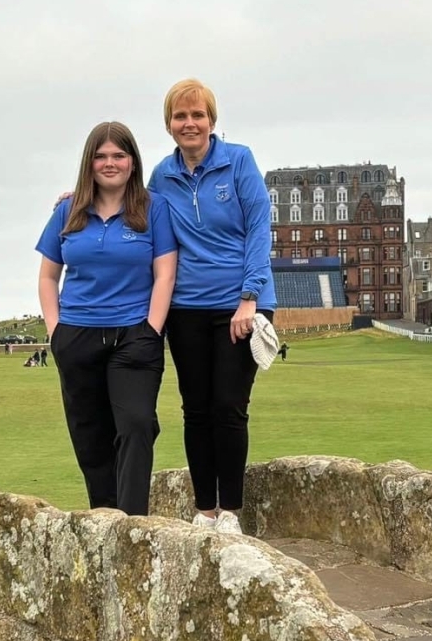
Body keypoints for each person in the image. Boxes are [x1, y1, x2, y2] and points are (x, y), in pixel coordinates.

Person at [147, 78, 277, 536]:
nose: (189, 123)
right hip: (185, 308)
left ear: (212, 121)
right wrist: (75, 201)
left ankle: (231, 512)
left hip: (240, 304)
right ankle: (204, 510)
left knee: (228, 406)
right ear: (169, 125)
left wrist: (249, 297)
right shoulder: (162, 175)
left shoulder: (238, 161)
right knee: (195, 409)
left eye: (197, 115)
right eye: (180, 116)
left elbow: (260, 228)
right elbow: (136, 216)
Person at [37, 121, 177, 516]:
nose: (109, 163)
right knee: (90, 433)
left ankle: (132, 522)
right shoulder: (69, 211)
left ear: (132, 162)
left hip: (134, 333)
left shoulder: (153, 208)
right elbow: (49, 276)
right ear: (89, 162)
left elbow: (165, 273)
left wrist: (151, 329)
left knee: (136, 424)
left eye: (118, 155)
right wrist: (56, 331)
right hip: (77, 335)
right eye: (101, 156)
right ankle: (104, 515)